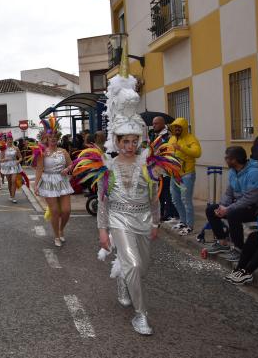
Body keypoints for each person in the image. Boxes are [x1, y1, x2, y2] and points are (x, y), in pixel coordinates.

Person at [72, 51, 179, 336]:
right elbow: (104, 203)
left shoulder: (150, 164)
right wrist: (103, 231)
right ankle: (141, 315)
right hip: (118, 218)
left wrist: (155, 222)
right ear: (116, 141)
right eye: (125, 141)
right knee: (132, 263)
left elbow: (155, 196)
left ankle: (123, 280)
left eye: (134, 141)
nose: (130, 146)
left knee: (140, 268)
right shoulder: (106, 166)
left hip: (143, 219)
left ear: (139, 141)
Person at [205, 147, 258, 262]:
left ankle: (239, 249)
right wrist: (221, 207)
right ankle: (222, 242)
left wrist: (228, 209)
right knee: (211, 210)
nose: (225, 159)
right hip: (239, 205)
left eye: (227, 158)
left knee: (233, 214)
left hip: (254, 207)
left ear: (235, 159)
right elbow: (229, 193)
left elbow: (250, 198)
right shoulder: (232, 172)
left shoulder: (254, 172)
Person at [34, 117, 73, 247]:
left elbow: (71, 165)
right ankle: (56, 235)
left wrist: (67, 169)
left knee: (66, 210)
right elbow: (39, 169)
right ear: (46, 138)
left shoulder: (64, 151)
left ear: (58, 138)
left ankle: (62, 229)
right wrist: (36, 185)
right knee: (55, 211)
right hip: (48, 182)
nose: (53, 138)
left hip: (62, 181)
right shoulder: (42, 153)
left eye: (55, 136)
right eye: (50, 136)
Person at [168, 117, 201, 235]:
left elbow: (197, 153)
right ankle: (182, 221)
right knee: (175, 199)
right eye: (175, 127)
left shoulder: (191, 139)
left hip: (187, 174)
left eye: (179, 127)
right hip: (174, 174)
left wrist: (182, 148)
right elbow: (167, 152)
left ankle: (190, 225)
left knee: (186, 200)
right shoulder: (171, 139)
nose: (176, 129)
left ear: (184, 128)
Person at [151, 116, 178, 223]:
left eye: (156, 123)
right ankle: (161, 212)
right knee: (160, 192)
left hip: (166, 167)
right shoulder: (155, 135)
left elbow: (166, 149)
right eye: (153, 124)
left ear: (163, 124)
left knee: (167, 192)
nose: (154, 126)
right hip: (157, 167)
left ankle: (169, 213)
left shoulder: (167, 136)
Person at [0, 132, 23, 203]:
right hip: (6, 166)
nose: (10, 140)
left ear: (12, 140)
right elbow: (0, 160)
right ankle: (11, 195)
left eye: (11, 139)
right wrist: (5, 159)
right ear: (6, 140)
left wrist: (18, 161)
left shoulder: (16, 148)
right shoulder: (3, 148)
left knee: (13, 181)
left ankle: (13, 197)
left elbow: (20, 157)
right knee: (9, 182)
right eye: (8, 139)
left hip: (14, 165)